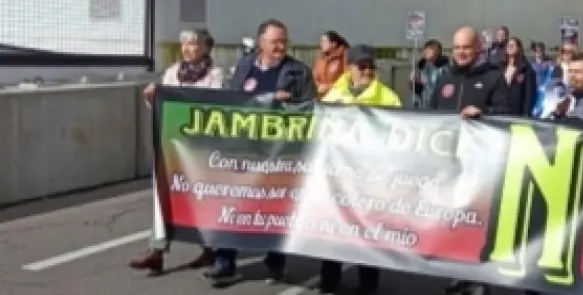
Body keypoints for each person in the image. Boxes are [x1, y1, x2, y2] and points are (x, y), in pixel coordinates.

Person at [207, 19, 315, 286]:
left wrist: (289, 104)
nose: (281, 46)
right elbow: (234, 102)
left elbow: (312, 108)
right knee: (232, 205)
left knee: (275, 208)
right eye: (275, 41)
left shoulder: (298, 71)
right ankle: (225, 262)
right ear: (261, 43)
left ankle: (275, 263)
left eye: (284, 41)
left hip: (279, 153)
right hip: (244, 151)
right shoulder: (245, 66)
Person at [129, 28, 224, 276]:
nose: (188, 49)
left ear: (205, 48)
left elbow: (215, 107)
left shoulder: (215, 75)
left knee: (201, 199)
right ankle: (156, 251)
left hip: (201, 149)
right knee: (164, 196)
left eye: (193, 44)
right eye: (184, 44)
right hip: (173, 147)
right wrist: (153, 97)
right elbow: (164, 109)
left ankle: (210, 247)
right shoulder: (173, 72)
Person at [432, 27, 512, 295]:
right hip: (449, 163)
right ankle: (457, 273)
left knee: (478, 222)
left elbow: (508, 114)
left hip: (481, 165)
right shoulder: (444, 78)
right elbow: (430, 116)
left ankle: (478, 278)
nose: (461, 52)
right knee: (453, 219)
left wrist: (485, 113)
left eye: (466, 47)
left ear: (478, 48)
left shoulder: (493, 78)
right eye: (456, 48)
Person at [318, 45, 401, 294]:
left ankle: (368, 285)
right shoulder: (333, 96)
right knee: (333, 228)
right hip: (338, 176)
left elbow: (399, 134)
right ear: (350, 67)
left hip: (370, 176)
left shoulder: (389, 97)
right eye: (362, 66)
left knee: (369, 231)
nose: (367, 71)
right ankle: (329, 280)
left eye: (371, 66)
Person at [501, 37, 538, 116]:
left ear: (519, 48)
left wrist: (527, 112)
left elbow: (529, 93)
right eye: (508, 45)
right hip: (502, 111)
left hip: (518, 111)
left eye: (512, 45)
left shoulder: (526, 68)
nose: (509, 47)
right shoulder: (501, 66)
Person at [412, 39, 449, 109]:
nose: (427, 52)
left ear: (438, 52)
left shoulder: (444, 67)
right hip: (422, 105)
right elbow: (415, 87)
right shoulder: (420, 66)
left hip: (438, 106)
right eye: (426, 50)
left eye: (431, 49)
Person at [312, 30, 349, 97]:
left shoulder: (344, 57)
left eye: (324, 42)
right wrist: (318, 86)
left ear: (334, 44)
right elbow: (314, 77)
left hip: (338, 97)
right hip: (320, 96)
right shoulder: (321, 59)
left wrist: (329, 87)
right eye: (321, 41)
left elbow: (348, 79)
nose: (321, 44)